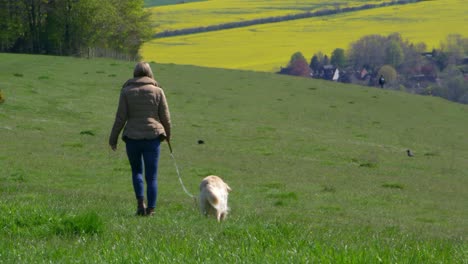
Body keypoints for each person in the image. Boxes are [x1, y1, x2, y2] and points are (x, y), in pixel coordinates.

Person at [109, 62, 171, 216]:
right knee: (152, 176)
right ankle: (151, 210)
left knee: (136, 171)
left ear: (135, 73)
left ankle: (140, 204)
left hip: (132, 137)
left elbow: (120, 118)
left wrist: (113, 137)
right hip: (153, 137)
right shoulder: (158, 91)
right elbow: (166, 118)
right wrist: (168, 135)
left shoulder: (126, 91)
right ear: (150, 73)